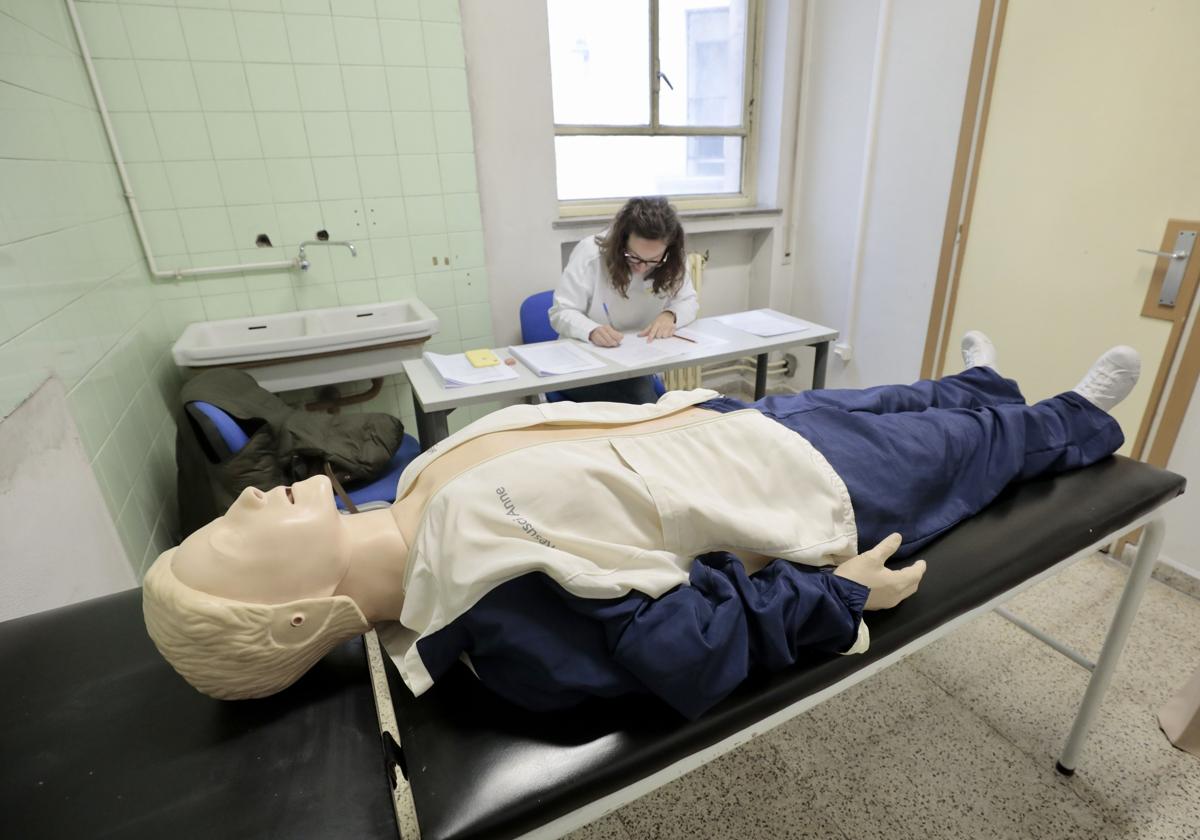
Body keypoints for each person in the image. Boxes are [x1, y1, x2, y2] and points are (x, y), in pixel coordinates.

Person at [143, 333, 1141, 720]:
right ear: (293, 613)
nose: (239, 498)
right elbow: (693, 646)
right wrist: (836, 593)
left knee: (904, 398)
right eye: (228, 539)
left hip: (723, 429)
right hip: (804, 493)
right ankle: (1077, 420)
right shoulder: (493, 609)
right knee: (976, 449)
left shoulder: (415, 493)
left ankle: (978, 378)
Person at [547, 196, 699, 404]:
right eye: (634, 257)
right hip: (586, 364)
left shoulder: (673, 259)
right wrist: (591, 330)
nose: (642, 267)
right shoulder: (591, 254)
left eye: (653, 260)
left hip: (637, 363)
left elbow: (688, 300)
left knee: (650, 402)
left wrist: (670, 315)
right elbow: (561, 312)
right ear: (621, 241)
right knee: (647, 405)